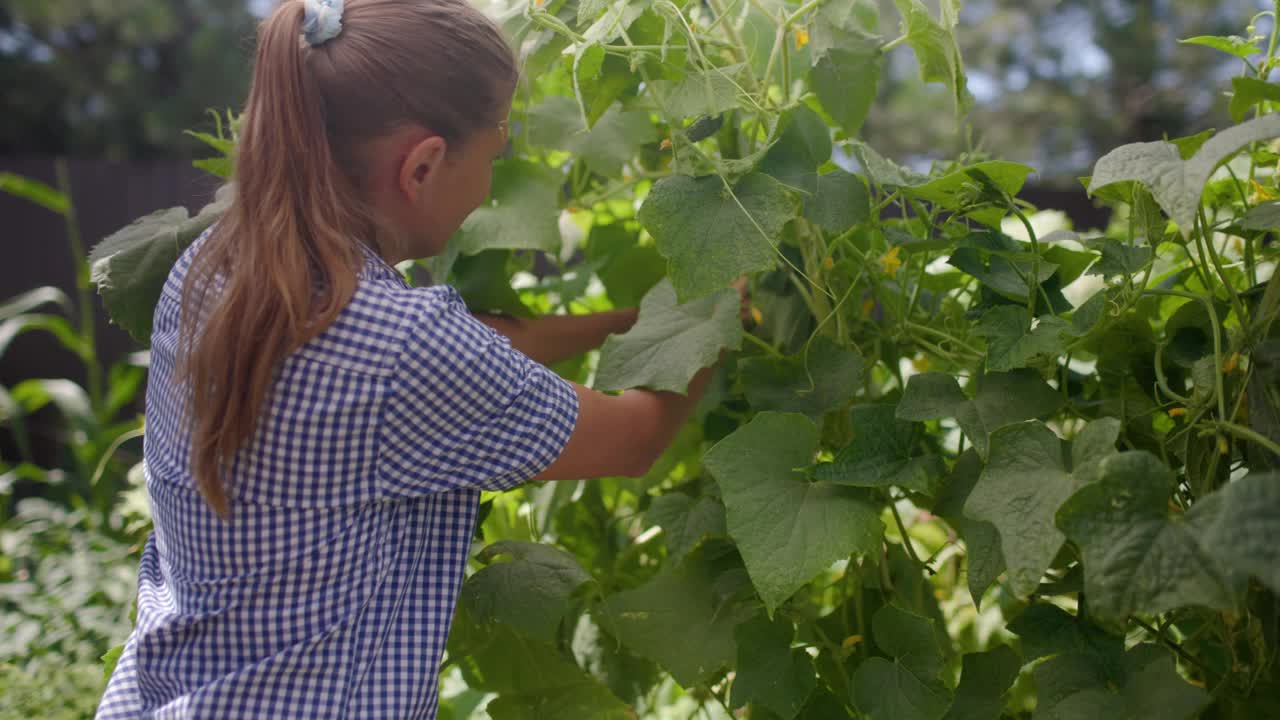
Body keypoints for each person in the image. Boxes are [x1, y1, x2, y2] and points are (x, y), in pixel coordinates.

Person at [94, 0, 740, 717]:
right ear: (424, 165)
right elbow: (635, 438)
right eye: (495, 155)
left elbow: (484, 347)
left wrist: (628, 320)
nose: (494, 183)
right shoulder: (399, 346)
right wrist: (716, 305)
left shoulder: (216, 269)